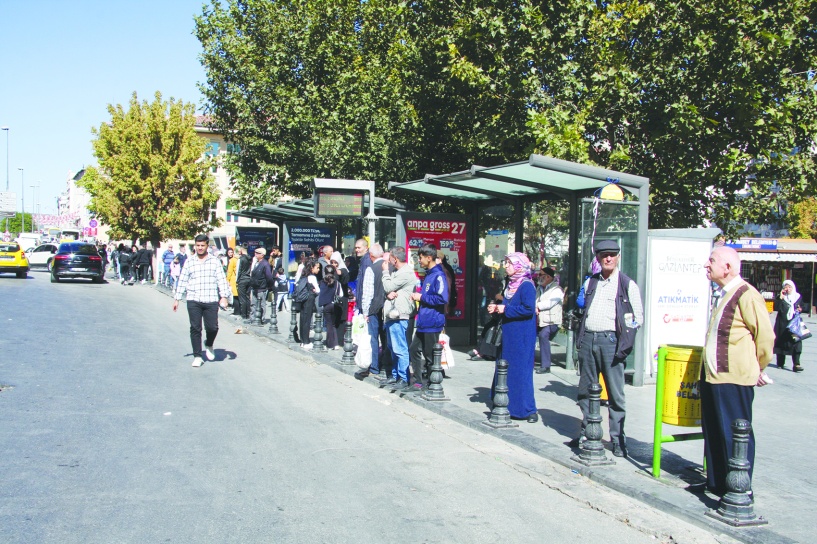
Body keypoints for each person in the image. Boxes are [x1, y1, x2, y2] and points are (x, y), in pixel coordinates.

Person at [700, 246, 774, 497]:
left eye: (711, 261)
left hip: (733, 378)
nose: (706, 265)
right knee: (714, 431)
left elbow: (764, 336)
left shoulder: (746, 294)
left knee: (735, 434)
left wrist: (758, 367)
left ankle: (740, 488)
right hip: (714, 376)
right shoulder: (722, 293)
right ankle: (719, 483)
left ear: (728, 267)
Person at [571, 239, 643, 458]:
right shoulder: (591, 282)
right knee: (586, 391)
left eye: (612, 254)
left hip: (611, 342)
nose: (608, 258)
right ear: (599, 258)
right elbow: (582, 309)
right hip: (589, 340)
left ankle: (618, 439)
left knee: (615, 395)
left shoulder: (627, 284)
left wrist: (624, 344)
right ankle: (588, 432)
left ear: (618, 256)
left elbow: (636, 318)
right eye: (604, 255)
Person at [488, 253, 538, 423]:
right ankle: (504, 404)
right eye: (506, 262)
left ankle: (527, 409)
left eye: (509, 263)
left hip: (522, 335)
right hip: (508, 334)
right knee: (505, 369)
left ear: (519, 266)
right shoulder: (510, 285)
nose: (506, 266)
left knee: (521, 371)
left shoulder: (526, 285)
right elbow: (509, 305)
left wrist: (505, 310)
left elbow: (528, 309)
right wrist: (497, 308)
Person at [172, 234, 230, 368]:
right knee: (195, 328)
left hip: (210, 299)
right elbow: (183, 280)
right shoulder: (189, 261)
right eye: (197, 245)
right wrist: (177, 299)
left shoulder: (214, 261)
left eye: (202, 245)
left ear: (207, 246)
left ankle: (209, 343)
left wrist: (224, 296)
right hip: (194, 299)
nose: (200, 248)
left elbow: (221, 279)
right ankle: (197, 356)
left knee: (212, 327)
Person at [404, 244, 448, 393]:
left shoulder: (439, 275)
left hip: (432, 321)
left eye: (421, 258)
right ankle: (417, 381)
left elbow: (442, 298)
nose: (419, 261)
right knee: (414, 349)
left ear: (429, 258)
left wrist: (421, 297)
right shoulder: (429, 274)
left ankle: (433, 383)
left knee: (430, 355)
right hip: (424, 320)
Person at [381, 246, 417, 390]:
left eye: (390, 258)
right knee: (392, 347)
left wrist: (385, 272)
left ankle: (403, 377)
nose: (388, 262)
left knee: (400, 347)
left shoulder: (406, 272)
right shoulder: (397, 271)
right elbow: (389, 290)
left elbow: (388, 285)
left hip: (399, 316)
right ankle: (396, 375)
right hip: (391, 316)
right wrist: (388, 293)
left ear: (395, 259)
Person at [354, 243, 386, 379]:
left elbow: (367, 293)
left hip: (374, 309)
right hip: (386, 309)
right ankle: (386, 364)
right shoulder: (388, 267)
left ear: (371, 256)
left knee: (373, 338)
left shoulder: (371, 269)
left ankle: (374, 367)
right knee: (386, 338)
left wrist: (366, 312)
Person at [536, 267, 563, 374]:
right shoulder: (539, 288)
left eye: (540, 274)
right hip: (539, 321)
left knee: (543, 335)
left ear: (548, 277)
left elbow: (550, 303)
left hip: (551, 322)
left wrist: (537, 307)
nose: (538, 276)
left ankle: (546, 365)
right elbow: (534, 300)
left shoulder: (557, 290)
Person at [773, 279, 804, 372]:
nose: (788, 289)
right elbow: (776, 307)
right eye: (785, 287)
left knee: (796, 342)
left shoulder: (798, 297)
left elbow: (801, 307)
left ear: (793, 287)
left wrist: (800, 309)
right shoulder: (781, 297)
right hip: (782, 324)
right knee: (781, 342)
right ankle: (780, 363)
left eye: (789, 287)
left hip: (794, 324)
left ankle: (796, 364)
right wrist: (781, 297)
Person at [318, 264, 343, 349]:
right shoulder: (337, 283)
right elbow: (341, 294)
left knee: (329, 325)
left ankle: (330, 343)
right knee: (333, 325)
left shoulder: (322, 282)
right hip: (335, 305)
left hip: (326, 305)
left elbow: (319, 292)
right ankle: (335, 343)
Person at [298, 258, 320, 349]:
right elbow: (318, 290)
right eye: (317, 268)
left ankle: (303, 340)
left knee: (303, 318)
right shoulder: (312, 277)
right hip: (309, 299)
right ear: (312, 268)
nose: (318, 269)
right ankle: (306, 341)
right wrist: (315, 290)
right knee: (307, 319)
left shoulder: (303, 276)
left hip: (302, 299)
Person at [249, 247, 273, 323]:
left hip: (261, 288)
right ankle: (253, 318)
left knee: (261, 304)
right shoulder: (256, 263)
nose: (255, 254)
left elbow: (269, 277)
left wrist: (268, 286)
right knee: (253, 304)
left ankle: (261, 318)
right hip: (255, 287)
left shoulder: (265, 264)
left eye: (257, 253)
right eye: (255, 252)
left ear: (262, 255)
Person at [236, 246, 253, 322]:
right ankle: (248, 314)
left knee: (242, 298)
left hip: (242, 279)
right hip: (248, 279)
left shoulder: (241, 259)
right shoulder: (250, 258)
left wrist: (237, 280)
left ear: (242, 250)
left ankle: (243, 315)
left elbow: (238, 271)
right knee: (247, 297)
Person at [225, 247, 239, 315]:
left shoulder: (233, 260)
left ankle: (236, 311)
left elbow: (229, 271)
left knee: (235, 296)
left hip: (233, 279)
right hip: (239, 279)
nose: (231, 254)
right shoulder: (240, 259)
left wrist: (227, 280)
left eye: (232, 252)